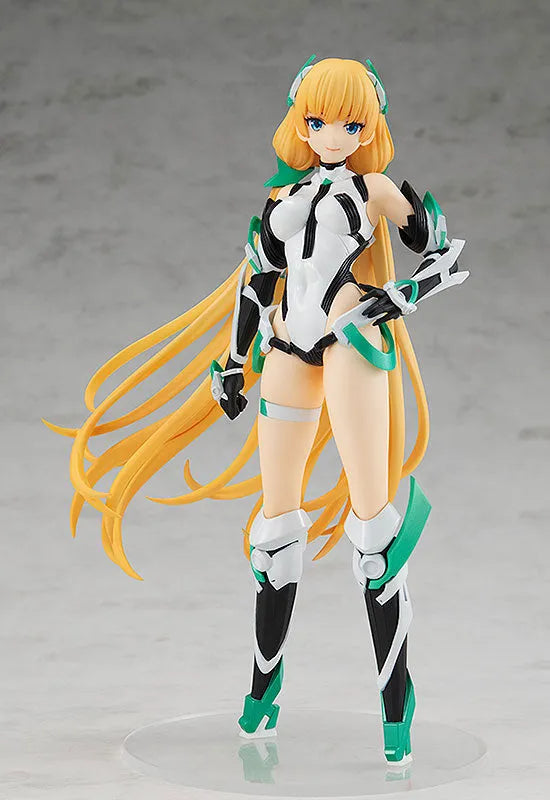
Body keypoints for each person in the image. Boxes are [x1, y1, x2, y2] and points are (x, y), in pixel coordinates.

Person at [46, 56, 468, 766]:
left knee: (374, 534)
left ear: (369, 128)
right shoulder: (283, 200)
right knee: (274, 533)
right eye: (318, 120)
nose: (333, 135)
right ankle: (263, 689)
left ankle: (397, 700)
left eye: (351, 124)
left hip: (351, 340)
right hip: (286, 347)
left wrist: (398, 297)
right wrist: (236, 361)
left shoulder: (374, 190)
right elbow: (257, 281)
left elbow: (440, 252)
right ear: (300, 121)